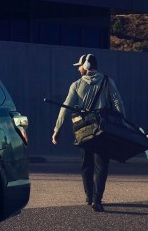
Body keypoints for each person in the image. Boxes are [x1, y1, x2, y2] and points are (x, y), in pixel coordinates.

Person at [51, 53, 125, 212]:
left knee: (86, 164)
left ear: (86, 67)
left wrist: (57, 129)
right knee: (101, 165)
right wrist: (122, 124)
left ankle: (89, 196)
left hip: (84, 131)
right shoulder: (107, 81)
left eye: (80, 66)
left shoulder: (76, 85)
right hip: (103, 131)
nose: (78, 69)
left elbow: (65, 107)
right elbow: (118, 102)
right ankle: (97, 200)